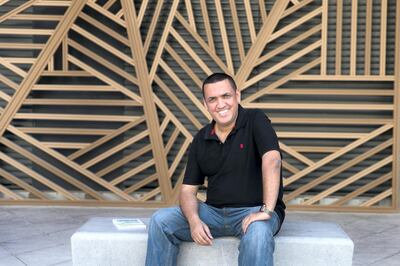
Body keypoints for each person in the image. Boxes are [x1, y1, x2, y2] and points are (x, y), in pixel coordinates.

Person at [145, 73, 285, 266]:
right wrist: (194, 221)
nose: (220, 105)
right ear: (205, 103)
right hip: (213, 213)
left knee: (258, 233)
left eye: (226, 96)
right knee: (161, 221)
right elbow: (187, 190)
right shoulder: (201, 138)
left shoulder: (255, 119)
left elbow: (273, 161)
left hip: (255, 210)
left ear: (237, 95)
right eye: (213, 99)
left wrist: (266, 210)